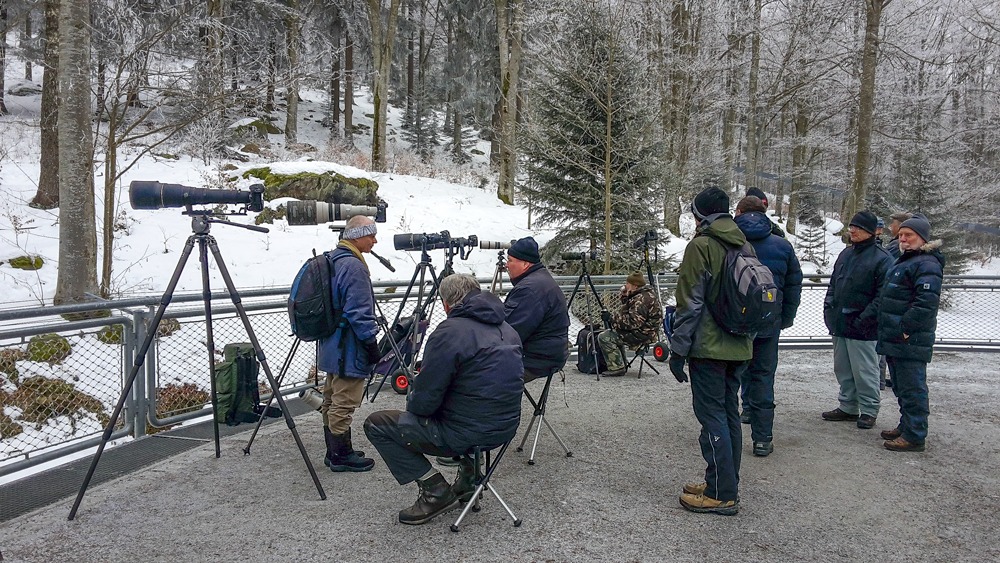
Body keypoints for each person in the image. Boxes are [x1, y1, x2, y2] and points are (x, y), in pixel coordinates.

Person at [364, 274, 524, 524]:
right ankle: (469, 480)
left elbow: (424, 401)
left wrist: (415, 402)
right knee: (470, 404)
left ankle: (435, 491)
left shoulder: (449, 332)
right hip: (504, 429)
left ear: (446, 304)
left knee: (377, 423)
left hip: (465, 433)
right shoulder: (508, 329)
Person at [669, 186, 752, 516]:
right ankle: (722, 481)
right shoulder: (744, 243)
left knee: (712, 416)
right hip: (740, 345)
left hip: (708, 348)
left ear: (698, 214)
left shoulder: (701, 246)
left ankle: (722, 494)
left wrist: (678, 351)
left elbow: (689, 304)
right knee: (729, 413)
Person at [733, 196, 802, 457]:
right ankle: (762, 439)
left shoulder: (729, 243)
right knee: (763, 377)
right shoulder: (782, 246)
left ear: (738, 212)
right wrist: (785, 317)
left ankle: (730, 435)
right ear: (765, 212)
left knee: (731, 375)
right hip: (768, 323)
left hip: (735, 323)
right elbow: (794, 285)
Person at [317, 215, 381, 472]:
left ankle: (334, 451)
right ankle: (341, 455)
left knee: (331, 397)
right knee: (344, 400)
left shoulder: (333, 258)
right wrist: (371, 343)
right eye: (370, 235)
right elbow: (359, 311)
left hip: (332, 342)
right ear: (357, 236)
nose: (374, 241)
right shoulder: (353, 266)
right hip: (349, 346)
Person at [876, 214, 944, 452]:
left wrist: (905, 329)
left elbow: (926, 303)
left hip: (910, 338)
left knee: (912, 386)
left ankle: (915, 434)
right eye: (901, 235)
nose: (903, 239)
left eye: (909, 235)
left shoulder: (927, 264)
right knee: (902, 385)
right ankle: (907, 425)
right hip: (896, 336)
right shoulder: (906, 260)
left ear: (922, 238)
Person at [821, 211, 893, 430]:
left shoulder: (882, 259)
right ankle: (848, 405)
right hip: (841, 323)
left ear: (870, 231)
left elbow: (882, 296)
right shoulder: (846, 255)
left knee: (865, 370)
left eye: (858, 228)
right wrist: (829, 308)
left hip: (864, 327)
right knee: (843, 368)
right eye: (851, 226)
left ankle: (869, 409)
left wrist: (865, 318)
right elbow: (834, 284)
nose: (852, 230)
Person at [502, 236, 570, 382]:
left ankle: (496, 404)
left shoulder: (530, 289)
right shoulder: (538, 280)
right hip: (546, 353)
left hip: (536, 358)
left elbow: (510, 332)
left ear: (525, 264)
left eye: (510, 260)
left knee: (475, 371)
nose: (506, 265)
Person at [596, 271, 663, 376]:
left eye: (627, 284)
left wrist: (611, 318)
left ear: (635, 286)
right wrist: (625, 295)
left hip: (641, 333)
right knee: (615, 332)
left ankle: (616, 367)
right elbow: (629, 307)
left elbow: (633, 322)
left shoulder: (641, 300)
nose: (625, 285)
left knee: (605, 337)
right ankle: (621, 362)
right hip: (647, 331)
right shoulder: (644, 294)